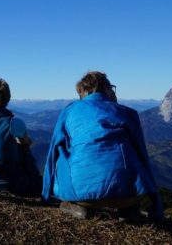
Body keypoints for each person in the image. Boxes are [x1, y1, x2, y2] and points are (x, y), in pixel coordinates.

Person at [42, 71, 163, 220]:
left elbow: (52, 155)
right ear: (105, 88)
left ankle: (78, 208)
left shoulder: (69, 111)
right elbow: (143, 155)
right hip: (129, 194)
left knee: (62, 148)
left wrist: (45, 196)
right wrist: (156, 203)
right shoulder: (127, 113)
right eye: (111, 87)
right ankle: (129, 210)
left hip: (84, 195)